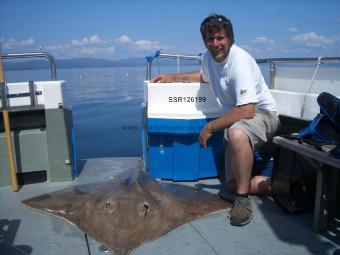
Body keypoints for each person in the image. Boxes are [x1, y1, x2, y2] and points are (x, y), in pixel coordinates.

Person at [151, 14, 279, 226]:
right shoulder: (208, 58)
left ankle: (243, 200)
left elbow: (247, 110)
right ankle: (284, 186)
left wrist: (210, 127)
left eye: (220, 38)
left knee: (236, 132)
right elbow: (204, 75)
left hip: (263, 115)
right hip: (239, 120)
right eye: (210, 39)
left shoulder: (240, 62)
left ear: (230, 38)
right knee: (231, 184)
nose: (215, 44)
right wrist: (172, 78)